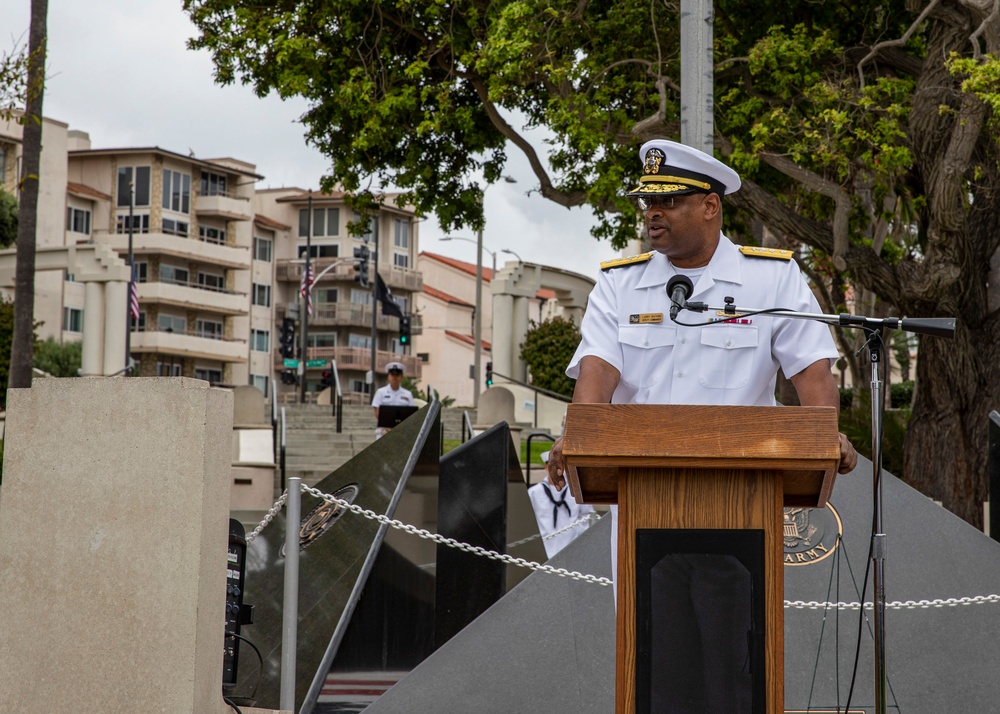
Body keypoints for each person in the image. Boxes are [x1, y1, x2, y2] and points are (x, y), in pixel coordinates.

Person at [546, 138, 858, 713]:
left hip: (741, 507)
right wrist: (580, 434)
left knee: (736, 669)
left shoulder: (772, 281)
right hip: (644, 509)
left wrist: (820, 436)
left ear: (711, 206)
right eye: (645, 204)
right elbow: (595, 379)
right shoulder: (620, 283)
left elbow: (813, 377)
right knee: (656, 669)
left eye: (668, 202)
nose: (651, 214)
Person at [527, 451, 596, 558]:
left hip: (572, 547)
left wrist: (578, 535)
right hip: (544, 546)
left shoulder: (577, 491)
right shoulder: (534, 493)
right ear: (546, 467)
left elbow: (587, 515)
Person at [371, 361, 414, 439]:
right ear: (388, 376)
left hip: (402, 432)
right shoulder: (381, 392)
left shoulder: (408, 394)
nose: (395, 377)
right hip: (384, 432)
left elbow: (412, 415)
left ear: (401, 377)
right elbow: (377, 412)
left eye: (397, 375)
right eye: (392, 375)